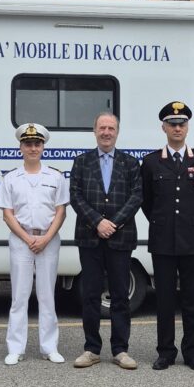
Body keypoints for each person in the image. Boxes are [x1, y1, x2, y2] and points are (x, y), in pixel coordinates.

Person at [141, 101, 194, 372]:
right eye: (172, 124)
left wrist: (191, 224)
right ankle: (165, 352)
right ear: (164, 127)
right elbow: (147, 203)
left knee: (193, 300)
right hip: (162, 241)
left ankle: (192, 353)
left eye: (181, 124)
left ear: (187, 127)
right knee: (164, 301)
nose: (177, 128)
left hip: (192, 241)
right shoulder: (151, 162)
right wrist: (164, 223)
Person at [69, 112, 143, 370]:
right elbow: (76, 196)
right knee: (90, 295)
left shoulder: (130, 163)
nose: (106, 132)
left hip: (120, 239)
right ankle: (91, 349)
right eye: (102, 128)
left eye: (111, 128)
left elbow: (136, 197)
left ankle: (121, 350)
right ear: (95, 131)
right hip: (89, 238)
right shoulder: (81, 162)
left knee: (120, 295)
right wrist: (97, 222)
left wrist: (114, 223)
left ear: (117, 132)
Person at [0, 123, 69, 366]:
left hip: (48, 240)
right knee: (20, 296)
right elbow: (7, 214)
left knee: (47, 296)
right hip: (21, 240)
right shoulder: (11, 178)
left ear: (43, 147)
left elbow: (61, 212)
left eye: (37, 144)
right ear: (21, 148)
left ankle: (50, 347)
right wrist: (28, 239)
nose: (33, 148)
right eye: (28, 144)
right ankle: (15, 348)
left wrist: (46, 238)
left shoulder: (55, 177)